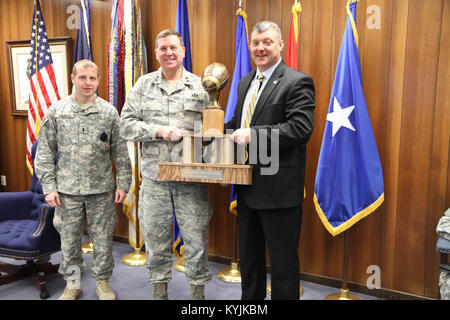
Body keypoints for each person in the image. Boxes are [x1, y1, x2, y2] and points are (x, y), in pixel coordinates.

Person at [224, 21, 315, 300]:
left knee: (283, 265)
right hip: (247, 188)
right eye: (256, 43)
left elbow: (300, 129)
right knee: (250, 263)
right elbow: (237, 124)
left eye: (267, 42)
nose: (260, 48)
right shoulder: (245, 82)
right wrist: (210, 131)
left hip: (279, 192)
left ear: (280, 45)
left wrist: (253, 134)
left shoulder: (297, 81)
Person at [120, 29, 212, 300]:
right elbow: (125, 125)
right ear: (157, 53)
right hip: (154, 180)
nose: (169, 52)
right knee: (157, 242)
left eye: (174, 47)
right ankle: (159, 293)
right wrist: (158, 130)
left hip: (191, 181)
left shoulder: (203, 87)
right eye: (163, 48)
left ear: (183, 51)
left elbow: (213, 132)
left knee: (196, 241)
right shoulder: (142, 85)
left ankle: (198, 296)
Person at [34, 59, 131, 300]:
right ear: (73, 78)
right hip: (67, 191)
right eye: (82, 78)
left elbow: (120, 151)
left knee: (103, 239)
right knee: (69, 241)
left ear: (98, 80)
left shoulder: (108, 112)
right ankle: (73, 283)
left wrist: (124, 183)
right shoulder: (57, 111)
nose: (88, 83)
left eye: (92, 78)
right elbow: (44, 152)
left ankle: (102, 283)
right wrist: (49, 187)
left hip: (101, 191)